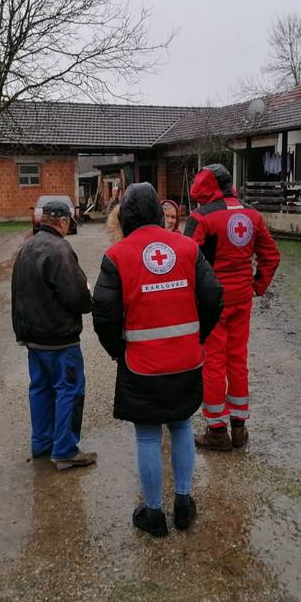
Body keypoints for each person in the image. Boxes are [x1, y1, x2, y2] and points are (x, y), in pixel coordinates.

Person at [92, 183, 223, 536]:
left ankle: (153, 513)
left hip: (141, 365)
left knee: (148, 438)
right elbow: (213, 295)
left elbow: (103, 311)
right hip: (186, 360)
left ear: (125, 216)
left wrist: (117, 350)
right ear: (156, 213)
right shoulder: (187, 248)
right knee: (181, 426)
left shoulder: (117, 255)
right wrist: (197, 336)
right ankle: (183, 503)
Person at [183, 164, 281, 451]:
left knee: (213, 361)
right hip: (242, 298)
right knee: (237, 360)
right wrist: (257, 285)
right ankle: (239, 427)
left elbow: (186, 259)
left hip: (212, 301)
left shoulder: (201, 217)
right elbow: (272, 256)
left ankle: (216, 430)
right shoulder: (253, 215)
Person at [11, 200, 96, 470]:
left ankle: (42, 444)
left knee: (41, 390)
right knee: (69, 390)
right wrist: (88, 296)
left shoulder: (26, 248)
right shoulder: (60, 249)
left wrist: (21, 332)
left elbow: (17, 294)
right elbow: (77, 296)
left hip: (34, 339)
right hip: (60, 340)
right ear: (62, 221)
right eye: (69, 222)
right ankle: (65, 450)